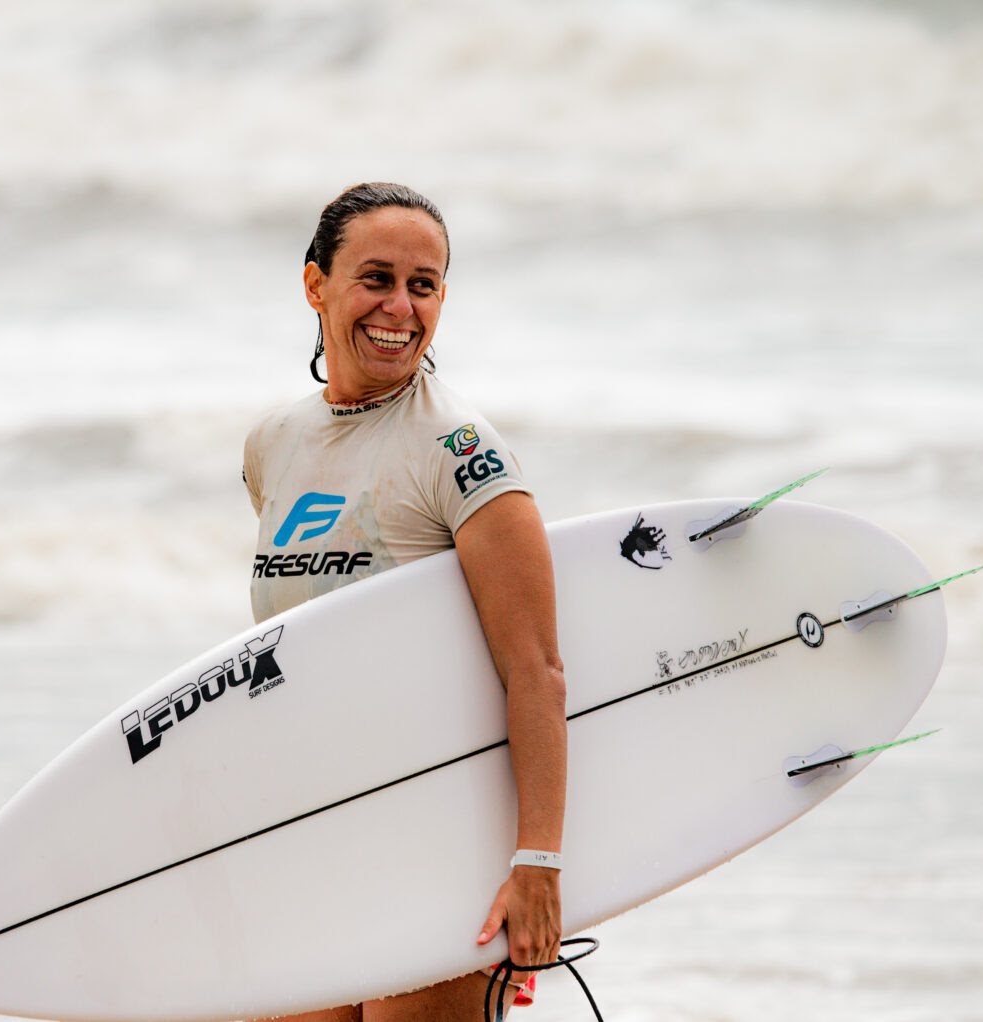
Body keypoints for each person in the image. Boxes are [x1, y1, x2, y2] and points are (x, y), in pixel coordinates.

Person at [241, 183, 567, 1021]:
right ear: (316, 286)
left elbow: (535, 670)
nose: (400, 306)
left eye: (424, 285)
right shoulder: (275, 445)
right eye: (376, 278)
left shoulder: (459, 453)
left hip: (435, 836)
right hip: (314, 825)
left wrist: (538, 862)